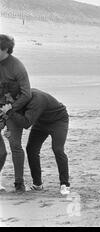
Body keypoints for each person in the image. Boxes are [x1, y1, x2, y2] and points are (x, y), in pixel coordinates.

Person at [0, 88, 71, 195]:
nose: (10, 100)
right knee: (31, 149)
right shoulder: (22, 100)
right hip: (41, 122)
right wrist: (8, 128)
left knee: (58, 149)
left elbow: (26, 123)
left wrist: (9, 112)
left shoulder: (37, 99)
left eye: (11, 98)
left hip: (58, 121)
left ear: (19, 96)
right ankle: (37, 184)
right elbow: (15, 116)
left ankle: (65, 184)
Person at [0, 34, 31, 192]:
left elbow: (27, 94)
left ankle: (19, 183)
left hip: (13, 112)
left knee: (14, 145)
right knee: (1, 152)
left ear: (5, 49)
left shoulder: (17, 66)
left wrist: (11, 109)